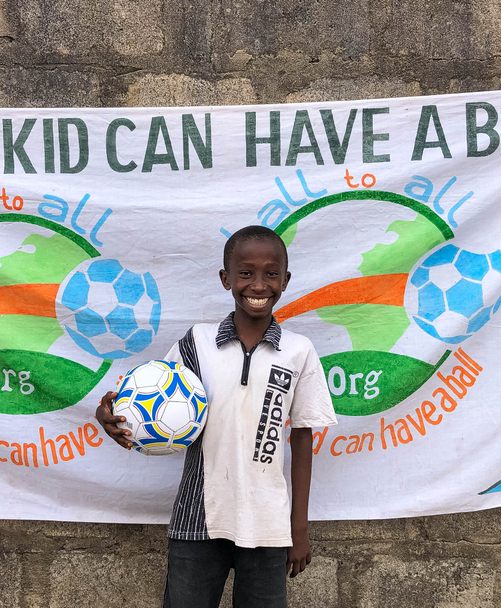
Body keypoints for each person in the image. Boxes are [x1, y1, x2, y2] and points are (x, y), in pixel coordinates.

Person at [96, 225, 337, 608]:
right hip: (198, 519)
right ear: (226, 279)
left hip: (268, 525)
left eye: (271, 274)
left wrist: (299, 528)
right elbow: (147, 399)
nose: (258, 285)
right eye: (246, 273)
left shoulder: (298, 351)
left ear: (285, 281)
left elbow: (302, 437)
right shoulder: (197, 342)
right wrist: (108, 414)